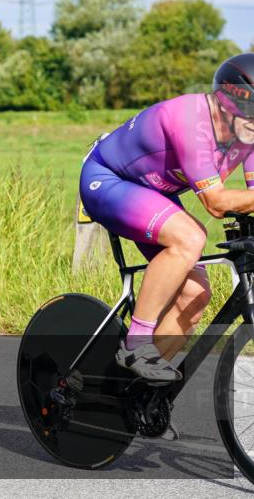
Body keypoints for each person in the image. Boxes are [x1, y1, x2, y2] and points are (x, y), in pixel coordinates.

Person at [80, 53, 254, 383]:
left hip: (153, 192)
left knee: (194, 295)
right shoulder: (190, 119)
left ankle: (133, 395)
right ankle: (136, 345)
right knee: (190, 236)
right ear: (232, 101)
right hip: (109, 180)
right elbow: (216, 203)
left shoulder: (247, 134)